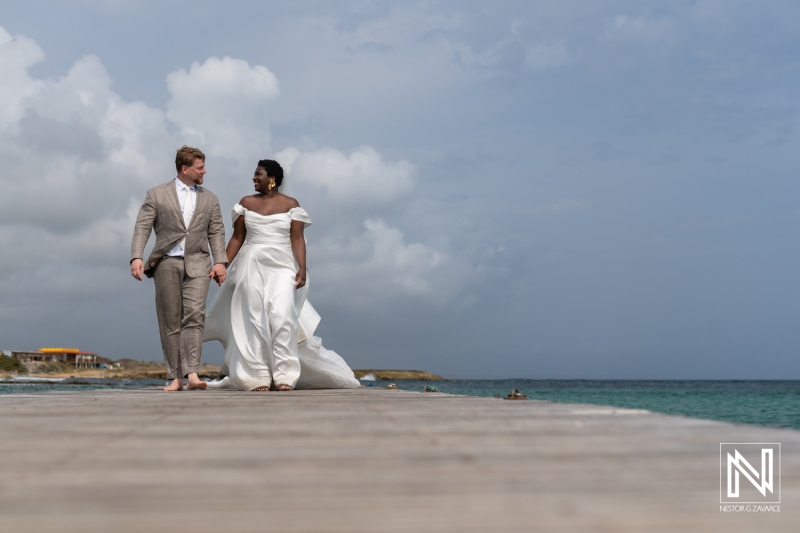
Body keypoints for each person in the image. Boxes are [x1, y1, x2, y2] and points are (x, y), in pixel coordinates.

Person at [203, 159, 360, 391]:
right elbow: (237, 238)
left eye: (258, 174)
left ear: (272, 178)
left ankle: (285, 375)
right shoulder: (245, 203)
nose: (254, 178)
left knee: (282, 315)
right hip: (250, 263)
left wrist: (302, 267)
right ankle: (256, 377)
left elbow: (296, 239)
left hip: (282, 265)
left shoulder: (291, 205)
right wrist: (222, 264)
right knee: (252, 318)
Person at [130, 146, 228, 391]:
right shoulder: (156, 194)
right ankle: (175, 376)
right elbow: (142, 226)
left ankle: (192, 373)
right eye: (200, 167)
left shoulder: (210, 198)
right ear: (185, 169)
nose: (204, 170)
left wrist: (220, 261)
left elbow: (216, 231)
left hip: (199, 263)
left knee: (195, 317)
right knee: (170, 321)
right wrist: (136, 257)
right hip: (166, 263)